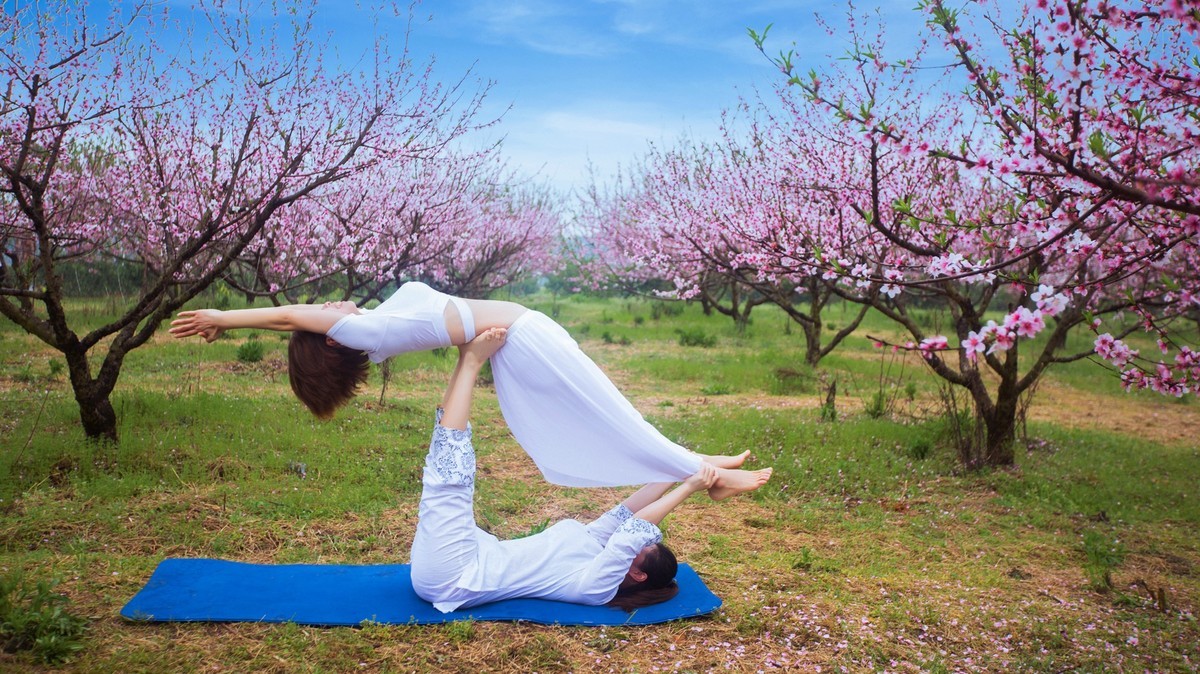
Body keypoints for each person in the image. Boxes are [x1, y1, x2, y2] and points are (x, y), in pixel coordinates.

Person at [170, 281, 771, 498]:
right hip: (526, 340)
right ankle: (707, 477)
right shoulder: (363, 331)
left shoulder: (371, 327)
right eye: (323, 314)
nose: (328, 303)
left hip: (524, 339)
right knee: (606, 411)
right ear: (330, 339)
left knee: (610, 410)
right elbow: (288, 317)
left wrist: (232, 322)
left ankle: (699, 464)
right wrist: (224, 317)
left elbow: (298, 321)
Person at [410, 327, 722, 612]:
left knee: (450, 482)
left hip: (456, 575)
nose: (643, 540)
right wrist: (678, 468)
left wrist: (688, 488)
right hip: (468, 557)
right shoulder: (596, 547)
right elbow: (625, 515)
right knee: (443, 468)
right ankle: (466, 359)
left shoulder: (597, 587)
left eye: (644, 548)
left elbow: (634, 529)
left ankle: (471, 363)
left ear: (638, 574)